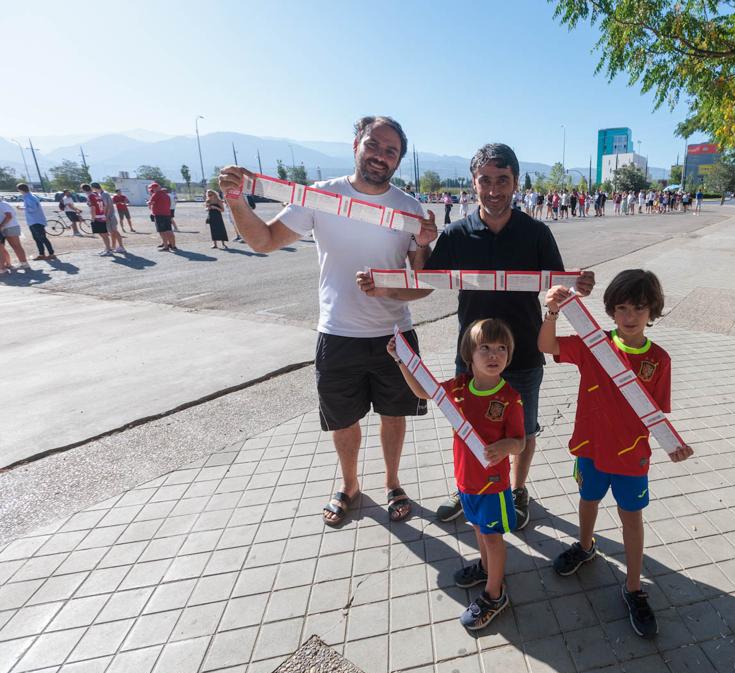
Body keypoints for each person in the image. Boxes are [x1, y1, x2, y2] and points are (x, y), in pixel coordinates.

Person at [222, 115, 438, 528]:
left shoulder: (410, 209)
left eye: (391, 151)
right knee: (343, 420)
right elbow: (263, 241)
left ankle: (393, 483)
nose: (380, 155)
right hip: (338, 334)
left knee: (395, 415)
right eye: (374, 145)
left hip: (395, 334)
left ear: (399, 160)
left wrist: (417, 254)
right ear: (357, 143)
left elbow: (421, 283)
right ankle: (350, 484)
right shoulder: (321, 196)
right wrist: (236, 200)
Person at [399, 142, 594, 530]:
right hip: (470, 357)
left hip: (522, 355)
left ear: (516, 182)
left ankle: (517, 489)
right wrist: (416, 248)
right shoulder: (456, 234)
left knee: (524, 430)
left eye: (502, 180)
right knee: (465, 425)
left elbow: (555, 286)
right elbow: (425, 281)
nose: (493, 189)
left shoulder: (536, 232)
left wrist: (575, 286)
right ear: (473, 183)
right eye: (484, 180)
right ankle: (467, 487)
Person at [538, 270, 692, 639]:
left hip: (631, 457)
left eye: (639, 308)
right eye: (621, 308)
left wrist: (673, 447)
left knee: (632, 517)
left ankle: (635, 587)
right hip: (590, 447)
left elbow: (658, 414)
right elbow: (547, 346)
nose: (629, 316)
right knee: (587, 499)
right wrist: (552, 312)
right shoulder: (595, 344)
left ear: (652, 310)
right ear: (610, 310)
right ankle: (586, 546)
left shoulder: (659, 359)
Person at [389, 319, 524, 630]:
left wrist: (504, 445)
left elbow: (520, 443)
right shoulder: (459, 388)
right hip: (466, 481)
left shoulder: (510, 398)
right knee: (478, 530)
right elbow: (424, 392)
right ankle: (486, 568)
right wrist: (401, 360)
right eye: (485, 348)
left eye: (501, 349)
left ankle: (495, 592)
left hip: (493, 486)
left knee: (492, 537)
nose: (494, 355)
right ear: (469, 355)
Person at [17, 184, 55, 260]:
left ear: (21, 190)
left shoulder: (29, 197)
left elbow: (33, 209)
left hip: (36, 221)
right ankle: (42, 254)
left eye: (18, 189)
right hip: (34, 221)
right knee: (37, 239)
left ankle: (51, 253)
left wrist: (22, 208)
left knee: (42, 238)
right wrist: (23, 208)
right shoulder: (29, 196)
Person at [93, 182, 126, 254]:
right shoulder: (101, 194)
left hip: (109, 216)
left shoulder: (104, 194)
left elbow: (106, 206)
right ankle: (113, 247)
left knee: (114, 231)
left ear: (94, 188)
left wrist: (105, 216)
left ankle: (121, 247)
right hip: (108, 216)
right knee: (112, 232)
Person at [83, 183, 114, 256]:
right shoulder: (97, 195)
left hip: (97, 217)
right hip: (101, 215)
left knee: (103, 234)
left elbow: (93, 207)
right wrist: (104, 215)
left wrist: (93, 218)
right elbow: (103, 206)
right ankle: (107, 248)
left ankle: (109, 249)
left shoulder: (90, 196)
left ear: (84, 190)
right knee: (103, 234)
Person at [0, 197, 29, 269]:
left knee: (16, 246)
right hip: (9, 227)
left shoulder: (2, 204)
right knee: (7, 247)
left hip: (10, 227)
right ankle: (9, 264)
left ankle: (24, 263)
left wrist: (1, 225)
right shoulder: (4, 203)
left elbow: (9, 216)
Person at [148, 183, 176, 251]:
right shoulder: (166, 195)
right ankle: (173, 245)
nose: (152, 190)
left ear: (156, 188)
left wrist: (148, 203)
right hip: (167, 214)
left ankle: (166, 246)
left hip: (159, 215)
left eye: (152, 189)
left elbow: (151, 203)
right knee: (169, 230)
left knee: (162, 231)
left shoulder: (156, 194)